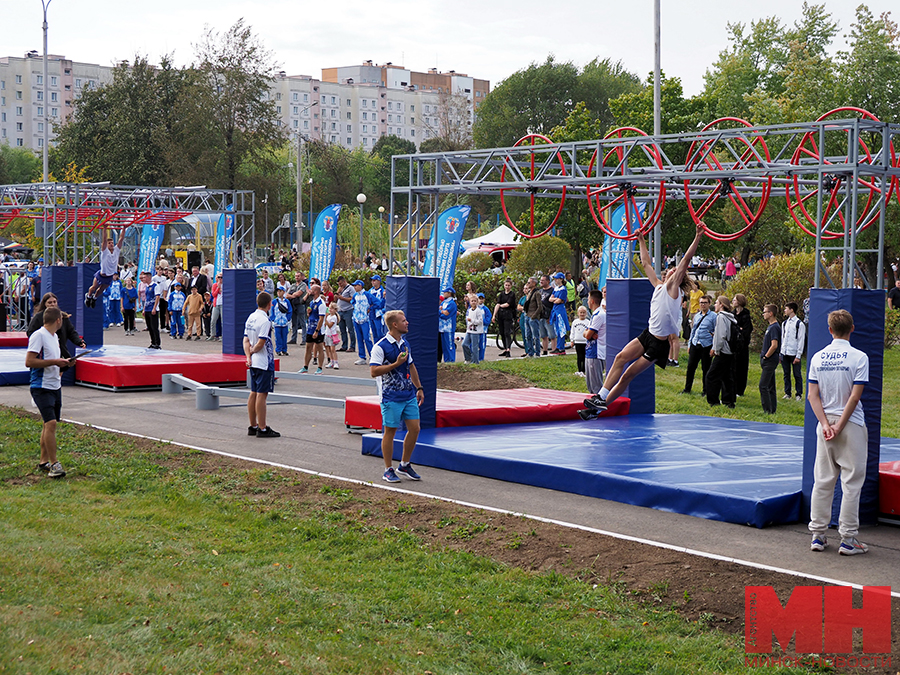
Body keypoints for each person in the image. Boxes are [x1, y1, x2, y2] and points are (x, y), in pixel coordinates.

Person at [587, 222, 703, 412]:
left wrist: (697, 236)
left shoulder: (674, 290)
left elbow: (685, 260)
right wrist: (641, 239)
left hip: (658, 345)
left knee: (628, 376)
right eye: (670, 270)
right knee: (619, 358)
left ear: (679, 278)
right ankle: (600, 397)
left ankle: (601, 407)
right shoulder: (658, 285)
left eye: (676, 272)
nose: (672, 271)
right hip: (648, 335)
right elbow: (646, 263)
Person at [807, 310, 869, 555]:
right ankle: (848, 538)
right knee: (852, 481)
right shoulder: (859, 357)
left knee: (822, 480)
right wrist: (840, 425)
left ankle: (818, 535)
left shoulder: (818, 357)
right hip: (849, 423)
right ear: (852, 328)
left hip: (825, 424)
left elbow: (813, 395)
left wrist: (825, 424)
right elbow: (855, 396)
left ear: (829, 330)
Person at [370, 309, 425, 483]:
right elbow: (373, 371)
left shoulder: (404, 343)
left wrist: (419, 387)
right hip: (390, 396)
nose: (407, 323)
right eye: (403, 320)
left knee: (415, 428)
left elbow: (411, 366)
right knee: (390, 432)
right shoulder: (380, 346)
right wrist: (395, 364)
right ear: (394, 324)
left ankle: (404, 464)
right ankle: (388, 469)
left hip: (408, 394)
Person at [26, 307, 75, 479]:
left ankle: (43, 461)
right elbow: (29, 361)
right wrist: (55, 361)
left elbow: (53, 361)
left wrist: (64, 364)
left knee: (48, 425)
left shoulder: (54, 337)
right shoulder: (39, 335)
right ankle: (54, 464)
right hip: (41, 386)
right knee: (51, 423)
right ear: (58, 321)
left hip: (55, 385)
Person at [243, 292, 279, 438]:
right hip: (263, 361)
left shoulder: (251, 317)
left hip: (253, 361)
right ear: (269, 304)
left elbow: (245, 339)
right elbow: (261, 342)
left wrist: (248, 356)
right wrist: (253, 351)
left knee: (254, 391)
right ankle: (262, 427)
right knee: (262, 394)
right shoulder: (265, 321)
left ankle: (253, 425)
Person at [26, 293, 86, 363]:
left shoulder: (62, 316)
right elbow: (30, 332)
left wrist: (79, 341)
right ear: (44, 304)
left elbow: (71, 331)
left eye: (54, 302)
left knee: (59, 369)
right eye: (50, 302)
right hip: (44, 353)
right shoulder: (38, 318)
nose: (53, 304)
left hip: (60, 350)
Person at [706, 295, 736, 408]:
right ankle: (729, 401)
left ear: (721, 305)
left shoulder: (721, 317)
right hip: (730, 351)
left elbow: (721, 335)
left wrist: (715, 349)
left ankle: (713, 401)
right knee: (727, 377)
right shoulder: (731, 317)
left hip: (723, 351)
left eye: (717, 302)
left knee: (711, 376)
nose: (715, 304)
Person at [681, 295, 716, 396]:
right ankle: (687, 388)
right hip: (695, 343)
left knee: (706, 369)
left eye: (705, 302)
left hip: (706, 345)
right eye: (701, 303)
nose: (703, 305)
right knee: (691, 367)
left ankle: (706, 390)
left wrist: (713, 347)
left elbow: (716, 332)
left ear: (709, 304)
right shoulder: (697, 316)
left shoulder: (714, 316)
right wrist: (690, 344)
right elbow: (694, 330)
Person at [84, 228, 126, 307]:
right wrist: (105, 228)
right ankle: (88, 296)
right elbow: (104, 239)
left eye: (112, 243)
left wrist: (124, 229)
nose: (111, 244)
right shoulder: (105, 251)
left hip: (109, 276)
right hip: (101, 275)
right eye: (109, 243)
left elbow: (121, 239)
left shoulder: (116, 251)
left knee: (101, 290)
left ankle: (94, 298)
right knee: (93, 288)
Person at [781, 301, 807, 401]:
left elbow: (801, 340)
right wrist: (781, 352)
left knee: (797, 374)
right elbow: (783, 338)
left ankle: (798, 394)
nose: (785, 310)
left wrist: (798, 355)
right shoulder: (784, 323)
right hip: (785, 352)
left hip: (794, 352)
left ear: (792, 310)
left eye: (786, 308)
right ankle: (787, 393)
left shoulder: (799, 324)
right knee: (786, 374)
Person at [583, 289, 607, 394]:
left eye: (588, 299)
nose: (587, 301)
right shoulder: (595, 314)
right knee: (590, 384)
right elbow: (586, 332)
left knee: (596, 385)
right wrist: (587, 332)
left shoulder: (599, 315)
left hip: (596, 353)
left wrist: (588, 333)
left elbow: (588, 335)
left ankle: (599, 407)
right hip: (590, 351)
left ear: (592, 301)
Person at [300, 284, 327, 374]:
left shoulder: (321, 304)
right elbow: (311, 316)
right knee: (308, 348)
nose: (309, 291)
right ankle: (305, 366)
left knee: (319, 348)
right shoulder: (312, 302)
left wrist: (317, 331)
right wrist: (309, 313)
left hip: (318, 330)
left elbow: (321, 318)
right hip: (310, 328)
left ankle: (319, 368)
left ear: (315, 292)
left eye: (311, 290)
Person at [759, 304, 781, 414]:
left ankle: (767, 410)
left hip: (770, 360)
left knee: (763, 385)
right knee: (770, 386)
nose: (763, 314)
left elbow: (774, 345)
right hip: (768, 360)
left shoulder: (774, 328)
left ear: (770, 313)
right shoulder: (771, 327)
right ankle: (772, 409)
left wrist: (766, 356)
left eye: (765, 312)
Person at [731, 294, 753, 397]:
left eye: (735, 300)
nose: (733, 301)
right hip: (734, 345)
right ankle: (733, 388)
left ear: (739, 302)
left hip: (743, 346)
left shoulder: (746, 315)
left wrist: (740, 330)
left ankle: (740, 390)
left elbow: (747, 330)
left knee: (742, 368)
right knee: (733, 367)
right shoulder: (732, 314)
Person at [352, 279, 374, 365]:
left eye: (356, 286)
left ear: (360, 286)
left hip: (365, 320)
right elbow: (352, 302)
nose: (354, 287)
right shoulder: (355, 295)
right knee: (359, 338)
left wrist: (370, 309)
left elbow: (376, 303)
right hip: (356, 319)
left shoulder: (367, 294)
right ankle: (362, 357)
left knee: (367, 338)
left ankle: (372, 356)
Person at [494, 278, 516, 358]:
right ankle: (505, 348)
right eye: (506, 285)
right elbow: (497, 304)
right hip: (501, 315)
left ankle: (508, 349)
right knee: (502, 332)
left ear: (511, 286)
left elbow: (508, 304)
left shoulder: (512, 294)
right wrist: (494, 315)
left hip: (508, 315)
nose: (507, 287)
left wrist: (501, 306)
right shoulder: (501, 294)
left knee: (507, 333)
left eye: (508, 285)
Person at [549, 272, 570, 354]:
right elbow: (550, 299)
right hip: (555, 309)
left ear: (561, 279)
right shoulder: (556, 288)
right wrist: (555, 299)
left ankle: (561, 348)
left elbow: (559, 300)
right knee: (557, 328)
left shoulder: (563, 289)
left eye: (557, 279)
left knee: (561, 328)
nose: (555, 280)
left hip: (560, 311)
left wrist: (555, 299)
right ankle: (558, 346)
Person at [141, 271, 162, 349]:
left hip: (153, 309)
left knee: (154, 327)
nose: (143, 279)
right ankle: (152, 342)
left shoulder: (155, 285)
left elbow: (157, 297)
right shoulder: (147, 286)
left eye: (145, 277)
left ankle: (157, 343)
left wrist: (154, 308)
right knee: (149, 327)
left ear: (149, 277)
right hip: (147, 308)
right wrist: (144, 309)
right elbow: (146, 298)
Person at [286, 274, 309, 345]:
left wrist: (292, 295)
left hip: (300, 304)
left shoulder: (303, 285)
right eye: (295, 276)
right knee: (294, 323)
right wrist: (293, 295)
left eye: (298, 276)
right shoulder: (293, 285)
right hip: (293, 305)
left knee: (302, 323)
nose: (296, 277)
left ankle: (304, 339)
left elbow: (299, 294)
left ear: (301, 277)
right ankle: (293, 339)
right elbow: (286, 295)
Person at [270, 286, 293, 356]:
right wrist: (273, 319)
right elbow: (272, 311)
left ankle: (284, 349)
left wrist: (288, 318)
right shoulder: (274, 301)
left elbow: (290, 310)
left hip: (284, 323)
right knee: (278, 337)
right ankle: (278, 349)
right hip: (277, 323)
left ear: (283, 292)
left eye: (280, 291)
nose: (278, 293)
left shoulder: (287, 301)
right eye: (278, 291)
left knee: (284, 336)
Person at [523, 278, 543, 358]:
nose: (527, 284)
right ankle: (530, 352)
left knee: (535, 336)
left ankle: (537, 353)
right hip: (527, 315)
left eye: (529, 282)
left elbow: (540, 306)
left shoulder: (536, 293)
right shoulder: (529, 292)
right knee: (528, 335)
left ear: (534, 283)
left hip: (533, 317)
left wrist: (534, 316)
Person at [335, 276, 356, 352]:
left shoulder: (350, 288)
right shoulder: (340, 289)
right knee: (342, 330)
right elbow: (336, 298)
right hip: (340, 311)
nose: (339, 285)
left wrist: (342, 298)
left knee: (350, 329)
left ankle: (352, 346)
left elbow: (353, 299)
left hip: (348, 311)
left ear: (344, 281)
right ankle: (344, 345)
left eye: (340, 283)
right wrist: (338, 292)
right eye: (338, 284)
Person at [438, 287, 457, 363]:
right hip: (442, 328)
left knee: (450, 345)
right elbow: (442, 312)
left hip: (449, 328)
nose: (443, 294)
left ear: (449, 293)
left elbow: (446, 315)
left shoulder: (452, 303)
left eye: (445, 292)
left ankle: (451, 360)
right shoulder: (444, 302)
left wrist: (440, 312)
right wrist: (442, 312)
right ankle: (446, 361)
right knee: (444, 346)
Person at [463, 293, 483, 364]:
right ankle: (468, 358)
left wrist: (472, 321)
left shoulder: (478, 311)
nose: (473, 302)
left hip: (475, 331)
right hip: (469, 330)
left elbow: (480, 321)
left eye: (475, 301)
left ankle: (475, 361)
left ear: (477, 302)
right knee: (464, 344)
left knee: (474, 347)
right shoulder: (470, 310)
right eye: (472, 301)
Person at [570, 305, 590, 376]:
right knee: (579, 356)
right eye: (581, 312)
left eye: (584, 312)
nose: (582, 314)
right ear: (578, 313)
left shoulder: (588, 322)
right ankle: (579, 370)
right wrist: (572, 340)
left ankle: (584, 370)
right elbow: (572, 331)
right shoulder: (575, 322)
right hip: (577, 342)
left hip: (585, 341)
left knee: (585, 356)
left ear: (586, 313)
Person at [368, 275, 386, 342]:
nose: (372, 282)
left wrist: (373, 306)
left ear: (378, 281)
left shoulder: (382, 291)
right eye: (372, 280)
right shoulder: (370, 291)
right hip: (371, 314)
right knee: (374, 333)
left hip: (378, 315)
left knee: (380, 333)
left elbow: (381, 304)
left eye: (374, 280)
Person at [324, 302, 341, 369]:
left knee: (332, 349)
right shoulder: (328, 316)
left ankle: (336, 362)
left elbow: (330, 325)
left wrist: (325, 321)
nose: (330, 310)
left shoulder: (334, 317)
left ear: (335, 310)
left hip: (332, 335)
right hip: (327, 334)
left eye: (332, 309)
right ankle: (331, 361)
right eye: (330, 308)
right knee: (328, 349)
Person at [209, 272, 224, 341]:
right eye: (219, 277)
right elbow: (214, 294)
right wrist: (218, 288)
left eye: (221, 277)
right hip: (216, 303)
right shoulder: (214, 285)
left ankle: (223, 335)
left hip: (223, 304)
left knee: (223, 321)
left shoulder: (225, 285)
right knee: (213, 320)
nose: (220, 279)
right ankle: (213, 335)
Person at [477, 293, 491, 362]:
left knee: (482, 345)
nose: (481, 300)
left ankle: (481, 358)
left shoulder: (485, 309)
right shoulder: (474, 308)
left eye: (482, 299)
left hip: (483, 330)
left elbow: (488, 318)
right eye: (479, 298)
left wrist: (483, 321)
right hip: (475, 330)